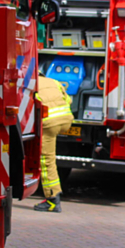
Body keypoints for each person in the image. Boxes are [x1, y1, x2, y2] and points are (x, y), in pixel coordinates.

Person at [35, 75, 74, 212]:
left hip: (49, 125)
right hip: (65, 120)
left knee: (46, 161)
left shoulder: (30, 84)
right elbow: (69, 100)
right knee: (50, 156)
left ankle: (53, 200)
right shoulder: (54, 82)